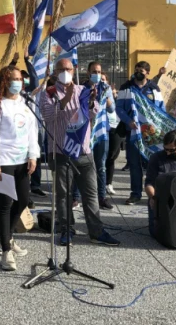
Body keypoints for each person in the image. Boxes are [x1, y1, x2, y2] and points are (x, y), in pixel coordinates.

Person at [41, 58, 120, 247]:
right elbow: (48, 116)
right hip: (62, 152)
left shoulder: (82, 90)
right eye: (61, 69)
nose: (65, 72)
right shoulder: (49, 93)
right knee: (64, 195)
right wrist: (66, 99)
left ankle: (96, 231)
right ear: (55, 72)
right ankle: (67, 229)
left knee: (91, 193)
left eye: (68, 69)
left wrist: (92, 102)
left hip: (84, 151)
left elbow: (93, 114)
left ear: (74, 70)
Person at [0, 65, 39, 271]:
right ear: (5, 82)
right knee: (5, 204)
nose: (18, 82)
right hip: (4, 160)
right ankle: (6, 251)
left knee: (23, 200)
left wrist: (33, 155)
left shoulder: (25, 105)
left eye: (20, 79)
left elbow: (32, 132)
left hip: (22, 160)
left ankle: (6, 237)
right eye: (14, 79)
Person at [116, 61, 164, 205]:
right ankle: (135, 194)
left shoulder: (154, 88)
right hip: (133, 132)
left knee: (152, 164)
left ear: (147, 73)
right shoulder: (126, 87)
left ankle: (153, 193)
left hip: (151, 134)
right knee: (134, 164)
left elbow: (161, 109)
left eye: (141, 71)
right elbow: (119, 108)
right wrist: (128, 121)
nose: (137, 73)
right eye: (136, 70)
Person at [8, 52, 44, 197]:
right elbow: (5, 75)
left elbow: (35, 79)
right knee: (19, 161)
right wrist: (14, 62)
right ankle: (17, 188)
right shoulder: (10, 95)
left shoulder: (30, 93)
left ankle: (35, 185)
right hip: (15, 132)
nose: (20, 82)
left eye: (22, 79)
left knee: (35, 157)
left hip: (33, 131)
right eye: (17, 79)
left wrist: (26, 60)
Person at [83, 61, 115, 210]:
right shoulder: (82, 88)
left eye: (99, 72)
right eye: (94, 72)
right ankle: (76, 197)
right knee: (83, 164)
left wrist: (107, 98)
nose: (97, 74)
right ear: (88, 73)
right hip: (86, 133)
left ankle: (101, 197)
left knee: (101, 166)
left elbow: (112, 109)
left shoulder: (106, 88)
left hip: (102, 133)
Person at [103, 73, 124, 196]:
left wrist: (112, 97)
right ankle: (100, 183)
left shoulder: (112, 94)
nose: (102, 82)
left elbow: (114, 109)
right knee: (101, 157)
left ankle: (108, 183)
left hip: (115, 127)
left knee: (112, 156)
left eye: (104, 80)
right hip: (102, 128)